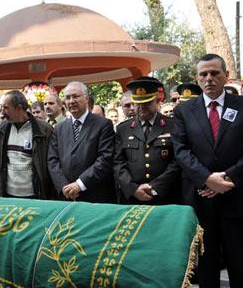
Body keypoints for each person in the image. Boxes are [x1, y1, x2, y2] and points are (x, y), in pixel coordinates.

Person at [172, 53, 243, 287]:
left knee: (240, 262)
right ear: (197, 78)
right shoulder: (184, 110)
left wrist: (228, 178)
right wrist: (207, 179)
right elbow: (181, 151)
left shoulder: (241, 106)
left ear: (226, 76)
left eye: (214, 73)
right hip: (200, 200)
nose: (209, 78)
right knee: (206, 266)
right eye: (203, 74)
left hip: (237, 198)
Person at [114, 77, 181, 205]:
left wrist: (155, 187)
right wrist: (133, 189)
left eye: (146, 102)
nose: (141, 107)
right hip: (133, 198)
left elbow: (177, 160)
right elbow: (118, 162)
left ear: (157, 101)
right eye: (138, 103)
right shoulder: (123, 129)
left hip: (165, 196)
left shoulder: (172, 126)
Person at [48, 81, 115, 203]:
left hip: (94, 195)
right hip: (66, 196)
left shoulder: (103, 124)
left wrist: (80, 184)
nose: (71, 101)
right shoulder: (59, 128)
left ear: (86, 98)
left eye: (75, 96)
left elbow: (105, 158)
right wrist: (64, 187)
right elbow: (52, 161)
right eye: (67, 98)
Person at [0, 90, 55, 199]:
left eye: (6, 108)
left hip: (34, 195)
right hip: (8, 194)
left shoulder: (44, 130)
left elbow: (50, 163)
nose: (2, 113)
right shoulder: (2, 129)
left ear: (19, 108)